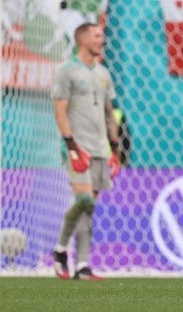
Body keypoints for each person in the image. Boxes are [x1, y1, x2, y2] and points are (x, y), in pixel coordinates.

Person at [51, 23, 121, 281]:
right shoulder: (66, 70)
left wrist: (115, 147)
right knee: (84, 201)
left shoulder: (103, 73)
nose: (102, 39)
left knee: (88, 210)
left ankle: (81, 266)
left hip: (100, 148)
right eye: (97, 35)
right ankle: (60, 249)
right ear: (83, 39)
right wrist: (71, 145)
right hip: (78, 148)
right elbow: (60, 110)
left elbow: (109, 112)